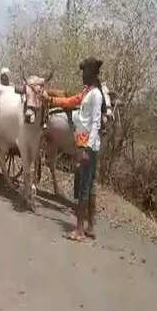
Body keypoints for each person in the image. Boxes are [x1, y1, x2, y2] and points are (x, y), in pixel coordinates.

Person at [42, 57, 104, 242]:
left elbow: (95, 123)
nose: (82, 75)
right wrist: (51, 100)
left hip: (88, 146)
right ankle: (91, 226)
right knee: (90, 186)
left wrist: (86, 149)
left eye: (84, 72)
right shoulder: (87, 92)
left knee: (84, 187)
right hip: (86, 145)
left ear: (92, 74)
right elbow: (70, 101)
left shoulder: (96, 95)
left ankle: (79, 230)